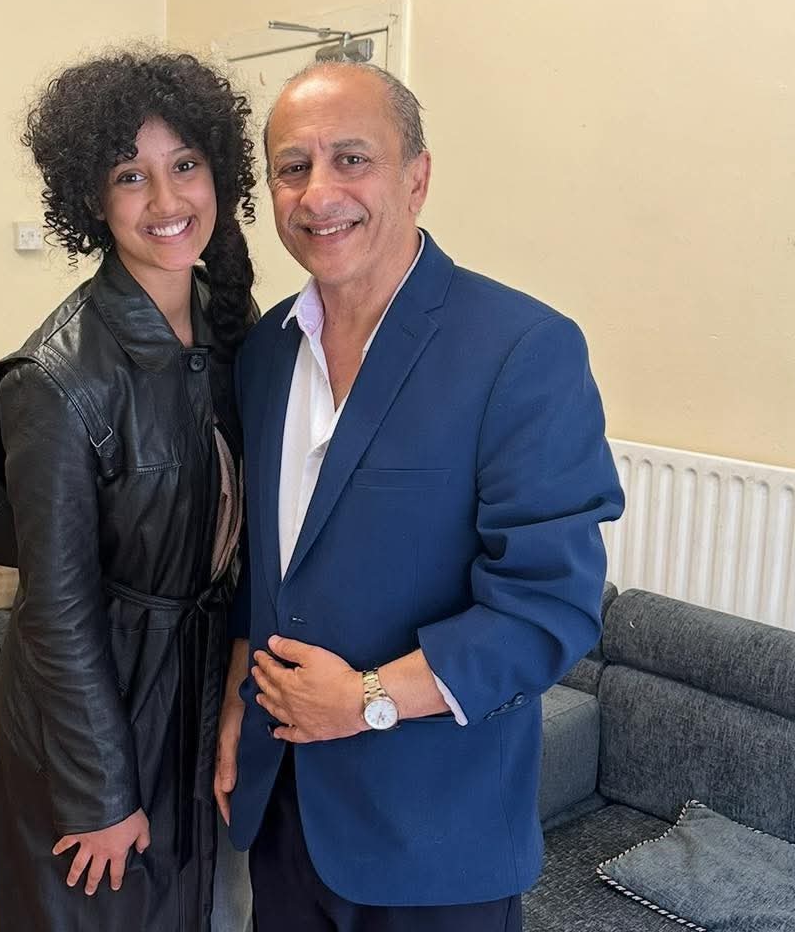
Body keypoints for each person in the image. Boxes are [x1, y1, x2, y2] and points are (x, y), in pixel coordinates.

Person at [215, 61, 625, 932]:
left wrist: (369, 697)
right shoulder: (265, 354)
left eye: (352, 159)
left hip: (434, 838)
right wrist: (233, 711)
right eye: (292, 167)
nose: (319, 193)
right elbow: (265, 568)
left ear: (417, 177)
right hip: (284, 809)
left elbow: (548, 608)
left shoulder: (522, 350)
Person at [0, 50, 257, 932]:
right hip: (106, 710)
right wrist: (100, 790)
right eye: (131, 176)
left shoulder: (231, 323)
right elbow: (56, 610)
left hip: (203, 682)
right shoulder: (56, 380)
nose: (167, 200)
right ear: (93, 202)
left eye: (186, 165)